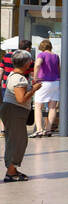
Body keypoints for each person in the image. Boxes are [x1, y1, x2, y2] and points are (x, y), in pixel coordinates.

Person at [3, 50, 38, 181]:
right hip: (15, 111)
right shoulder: (19, 79)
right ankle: (11, 173)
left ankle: (12, 169)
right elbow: (21, 99)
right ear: (26, 63)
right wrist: (34, 89)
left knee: (15, 140)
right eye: (30, 61)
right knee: (17, 141)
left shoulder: (14, 75)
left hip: (12, 110)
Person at [33, 39, 61, 136]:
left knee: (38, 107)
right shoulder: (56, 56)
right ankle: (48, 129)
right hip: (55, 83)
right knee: (52, 107)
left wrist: (35, 77)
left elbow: (37, 64)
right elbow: (59, 69)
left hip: (43, 82)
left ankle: (40, 129)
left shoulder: (42, 55)